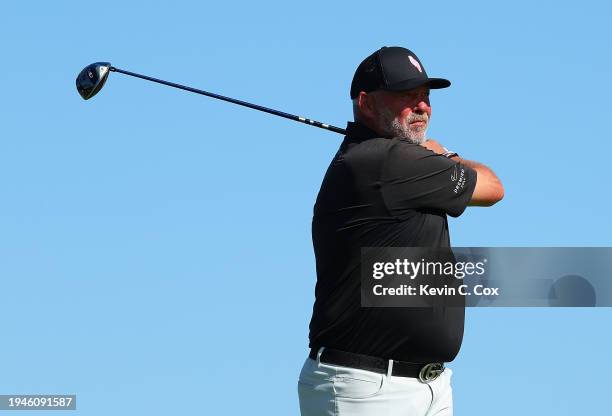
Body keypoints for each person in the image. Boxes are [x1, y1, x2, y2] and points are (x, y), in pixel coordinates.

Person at [298, 46, 504, 416]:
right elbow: (492, 187)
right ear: (366, 103)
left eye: (424, 97)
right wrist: (446, 156)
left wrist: (433, 156)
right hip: (365, 389)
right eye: (407, 97)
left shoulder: (381, 159)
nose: (422, 107)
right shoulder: (386, 161)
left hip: (426, 386)